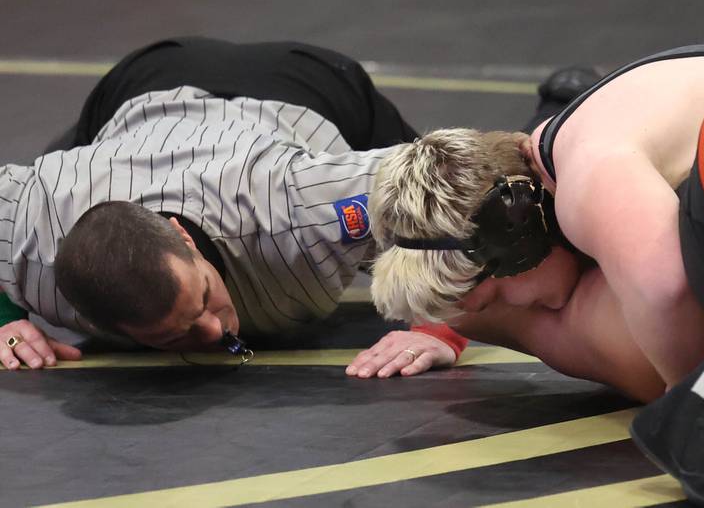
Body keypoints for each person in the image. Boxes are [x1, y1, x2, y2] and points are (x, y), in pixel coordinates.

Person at [367, 44, 704, 506]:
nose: (515, 308)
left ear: (517, 237)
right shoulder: (583, 168)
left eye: (494, 294)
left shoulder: (589, 170)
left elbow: (665, 288)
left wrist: (698, 395)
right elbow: (664, 289)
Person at [0, 36, 442, 370]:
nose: (215, 331)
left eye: (204, 299)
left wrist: (440, 331)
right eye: (174, 337)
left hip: (300, 85)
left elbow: (462, 188)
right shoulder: (38, 237)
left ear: (181, 237)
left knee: (408, 238)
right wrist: (5, 318)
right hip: (137, 102)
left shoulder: (296, 210)